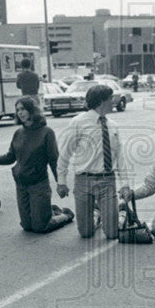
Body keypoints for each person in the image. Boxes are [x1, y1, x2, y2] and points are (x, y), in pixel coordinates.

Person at [0, 97, 74, 233]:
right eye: (17, 110)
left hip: (39, 185)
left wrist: (61, 183)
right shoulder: (19, 133)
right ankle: (48, 210)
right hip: (21, 184)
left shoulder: (46, 132)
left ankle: (65, 215)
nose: (20, 112)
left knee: (40, 227)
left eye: (23, 109)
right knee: (26, 225)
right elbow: (10, 157)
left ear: (32, 110)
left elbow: (54, 160)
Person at [57, 85, 127, 240]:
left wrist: (125, 185)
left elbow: (120, 157)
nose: (113, 101)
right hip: (83, 181)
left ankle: (121, 211)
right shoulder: (78, 122)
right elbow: (64, 153)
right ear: (101, 101)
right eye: (110, 98)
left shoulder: (113, 126)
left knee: (112, 233)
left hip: (107, 180)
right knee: (85, 232)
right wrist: (61, 182)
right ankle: (98, 212)